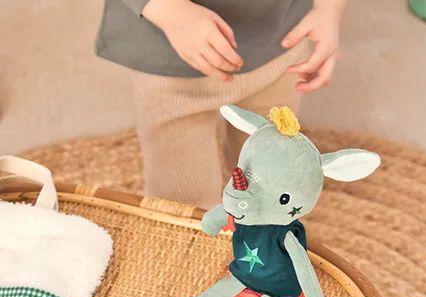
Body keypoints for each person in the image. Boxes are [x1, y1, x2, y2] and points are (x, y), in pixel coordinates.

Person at [95, 0, 346, 208]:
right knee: (183, 205)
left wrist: (328, 9)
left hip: (282, 43)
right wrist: (169, 10)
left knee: (270, 183)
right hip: (168, 57)